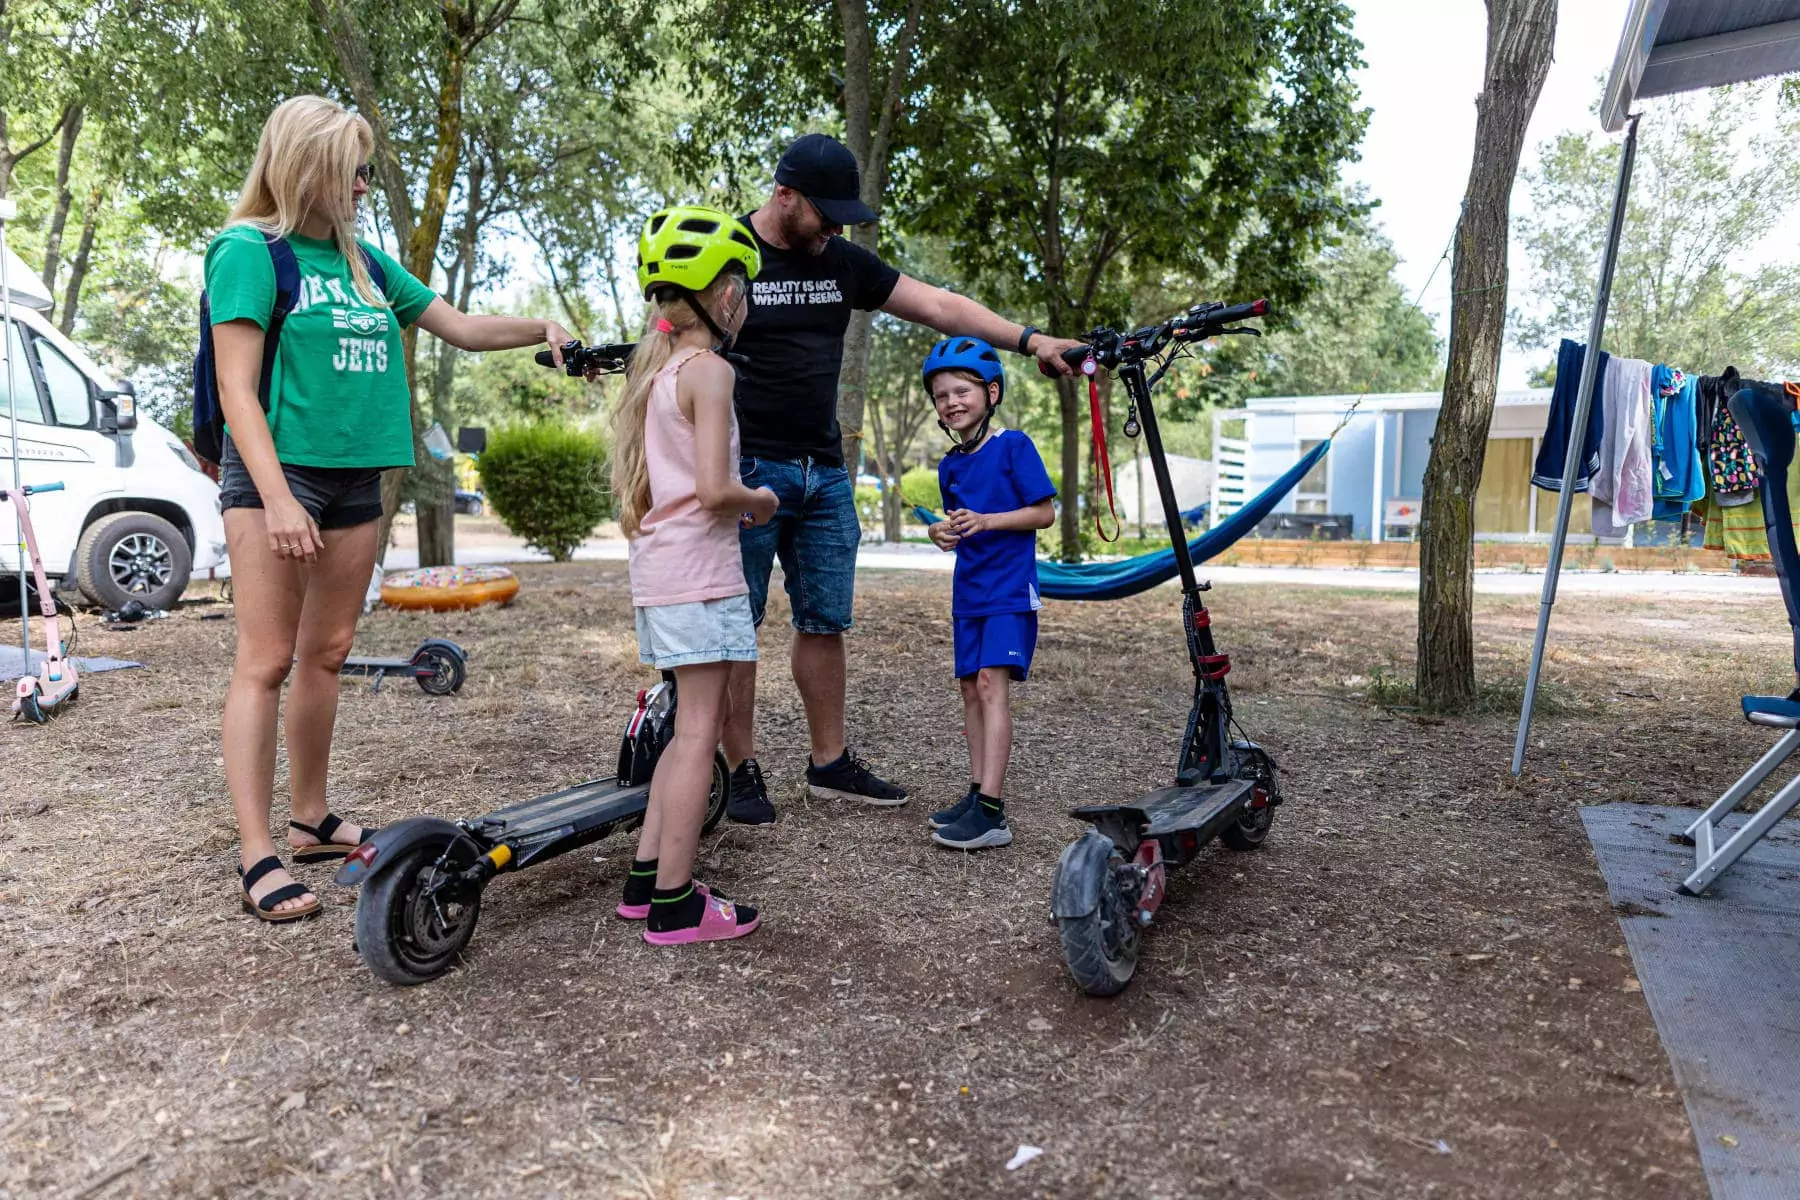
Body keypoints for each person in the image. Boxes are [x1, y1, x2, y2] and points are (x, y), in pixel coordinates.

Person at [211, 96, 576, 921]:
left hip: (355, 479)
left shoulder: (368, 263)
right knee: (266, 659)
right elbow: (237, 387)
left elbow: (462, 326)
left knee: (329, 651)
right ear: (308, 168)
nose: (367, 184)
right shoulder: (249, 251)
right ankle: (257, 851)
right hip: (280, 476)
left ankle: (309, 818)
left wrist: (540, 327)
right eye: (355, 170)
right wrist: (274, 498)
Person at [723, 132, 1086, 824]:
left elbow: (942, 307)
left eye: (841, 218)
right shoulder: (729, 252)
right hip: (748, 468)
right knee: (734, 628)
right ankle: (739, 771)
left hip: (824, 471)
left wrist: (1032, 340)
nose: (834, 227)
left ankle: (828, 765)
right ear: (784, 195)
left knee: (824, 620)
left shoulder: (842, 262)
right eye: (824, 213)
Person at [611, 205, 778, 944]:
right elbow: (715, 491)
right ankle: (677, 904)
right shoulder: (710, 370)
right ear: (718, 290)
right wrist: (761, 498)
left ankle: (646, 880)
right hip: (700, 577)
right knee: (697, 733)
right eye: (741, 282)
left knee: (685, 728)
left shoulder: (662, 369)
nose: (745, 297)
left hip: (664, 573)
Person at [920, 338, 1056, 850]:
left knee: (990, 684)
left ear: (991, 392)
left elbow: (1043, 513)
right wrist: (942, 532)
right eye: (940, 396)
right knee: (969, 690)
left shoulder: (1014, 445)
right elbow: (963, 525)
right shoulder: (950, 465)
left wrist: (988, 521)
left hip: (1007, 589)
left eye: (962, 391)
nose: (951, 402)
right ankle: (977, 793)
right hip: (969, 590)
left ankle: (994, 813)